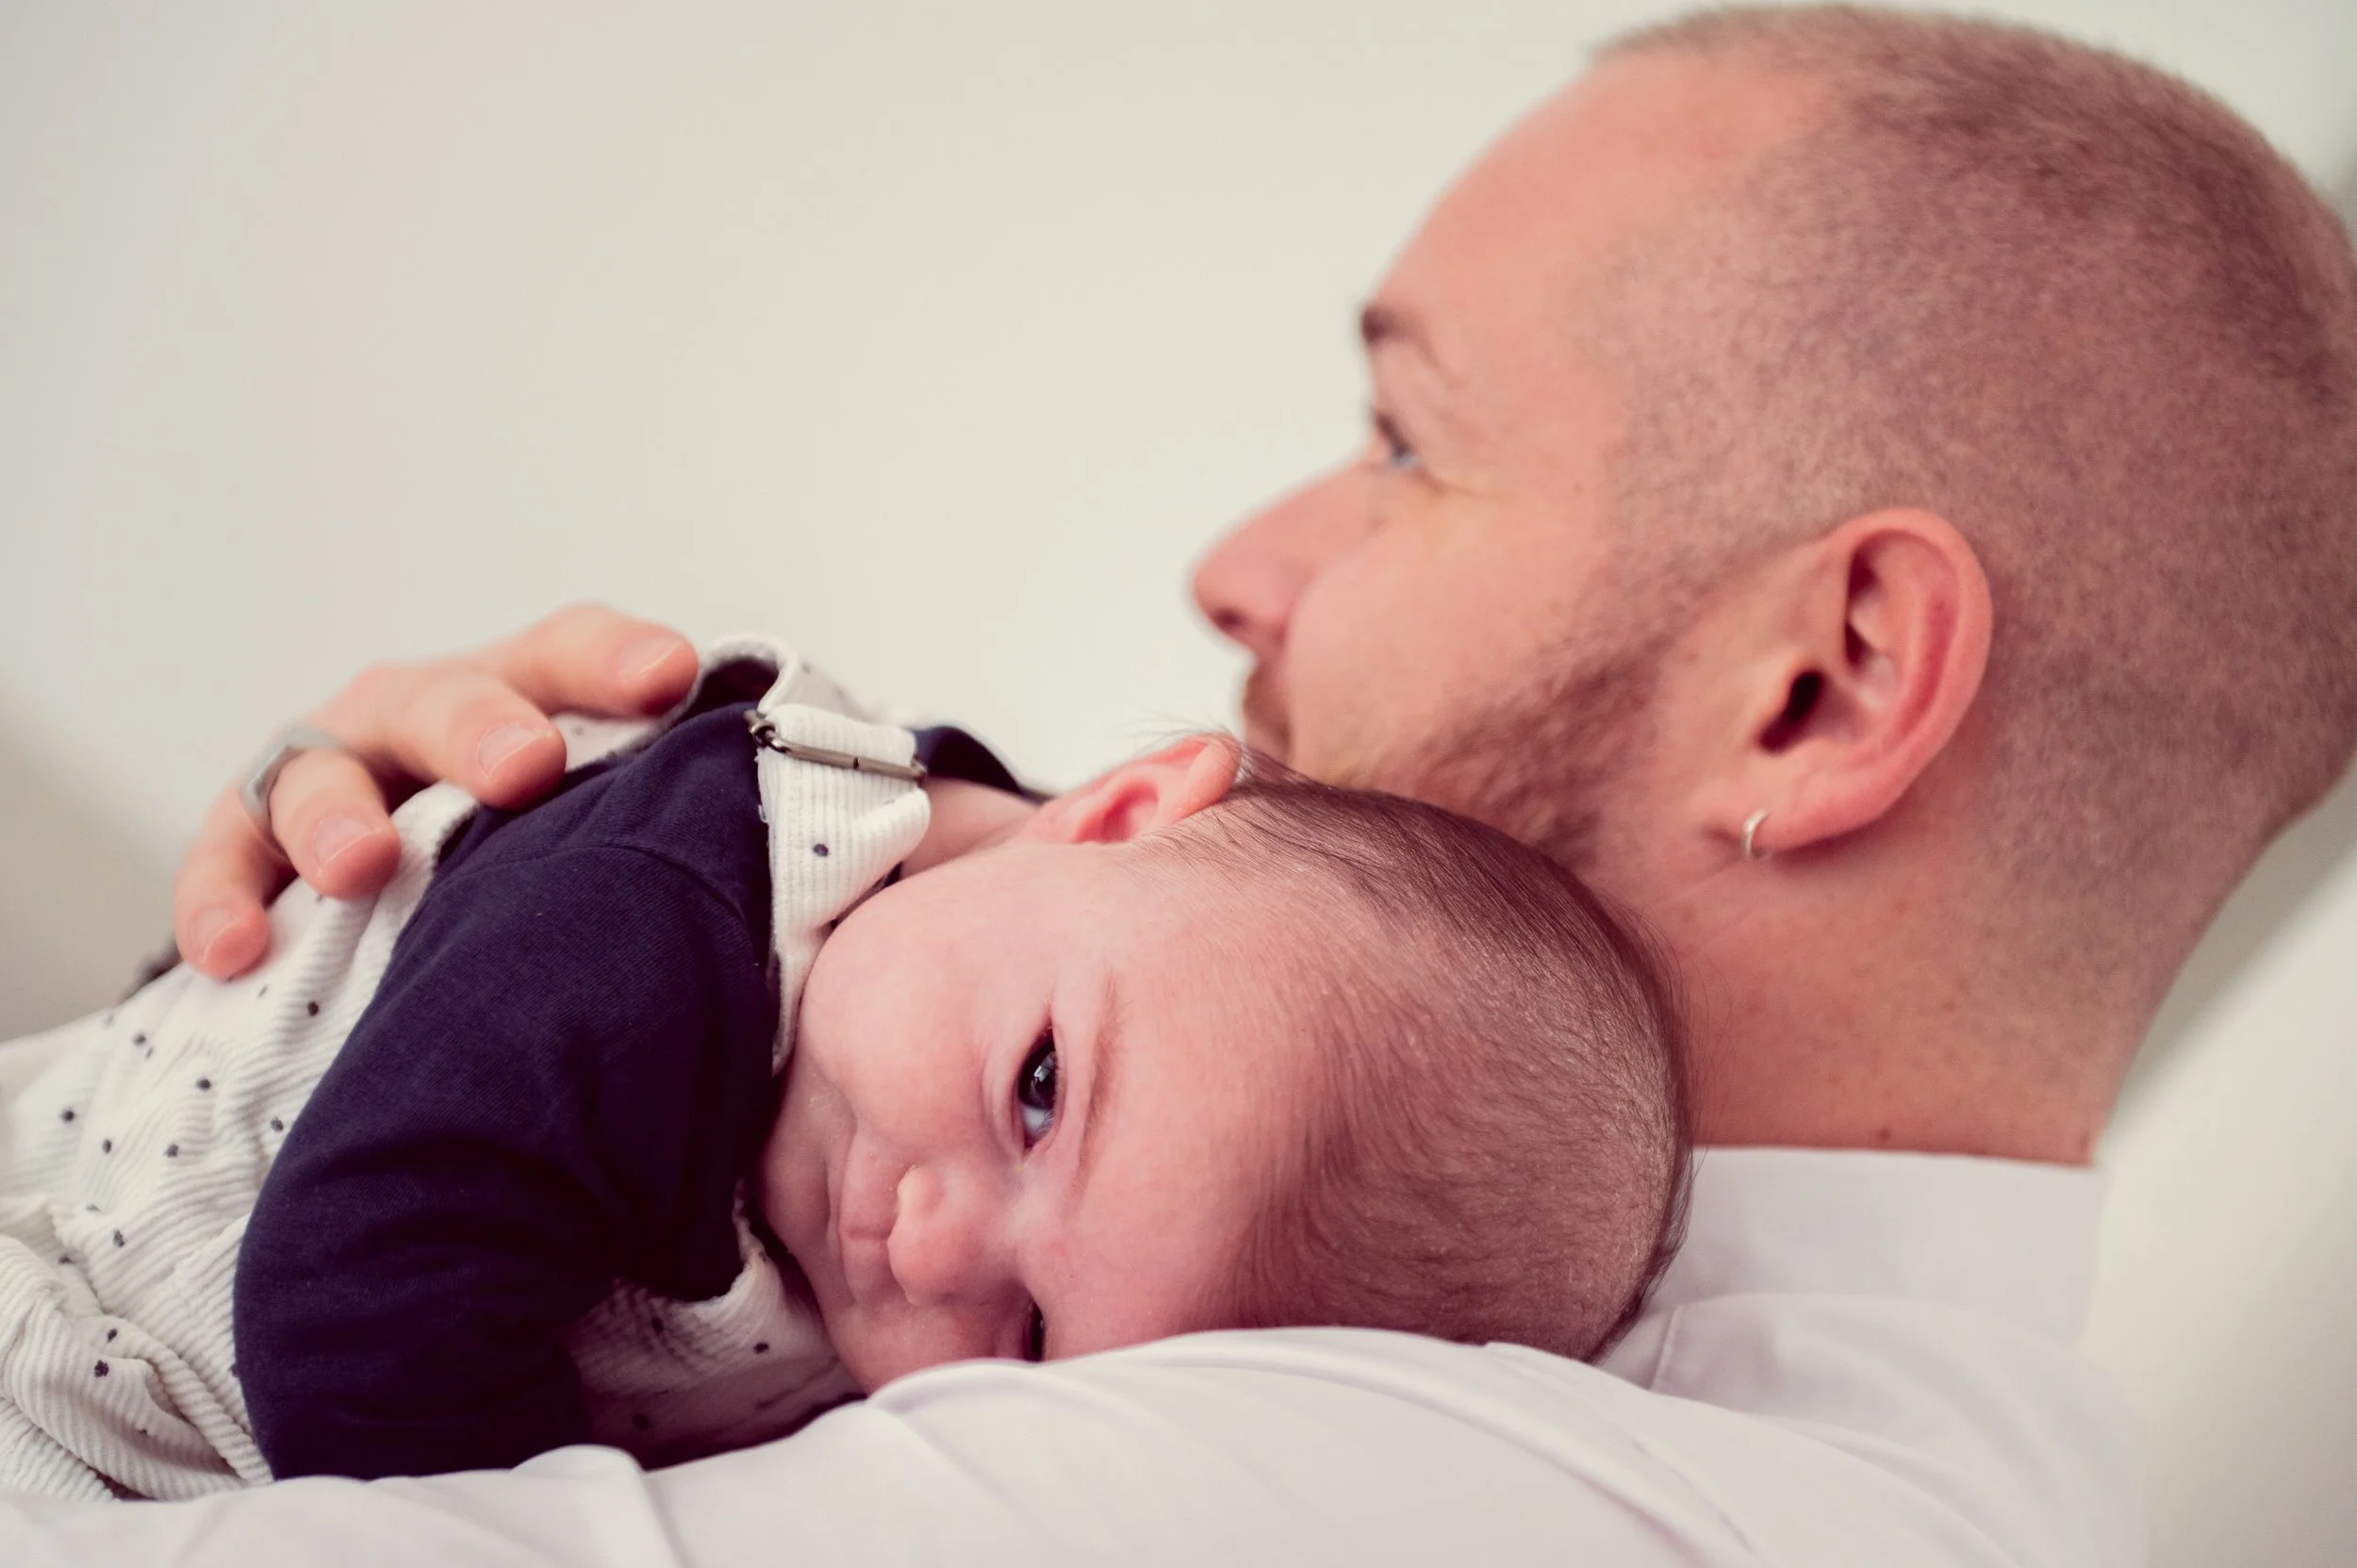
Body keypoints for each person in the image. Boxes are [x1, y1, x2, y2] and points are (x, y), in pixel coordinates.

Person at [9, 5, 2356, 1564]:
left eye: (1410, 444)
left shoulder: (1468, 1495)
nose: (1234, 570)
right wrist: (364, 971)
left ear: (1823, 686)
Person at [0, 643, 1683, 1496]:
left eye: (1032, 1332)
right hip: (69, 1319)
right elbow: (358, 1289)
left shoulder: (1052, 977)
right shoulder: (672, 912)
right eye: (1039, 1089)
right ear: (1112, 812)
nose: (934, 1244)